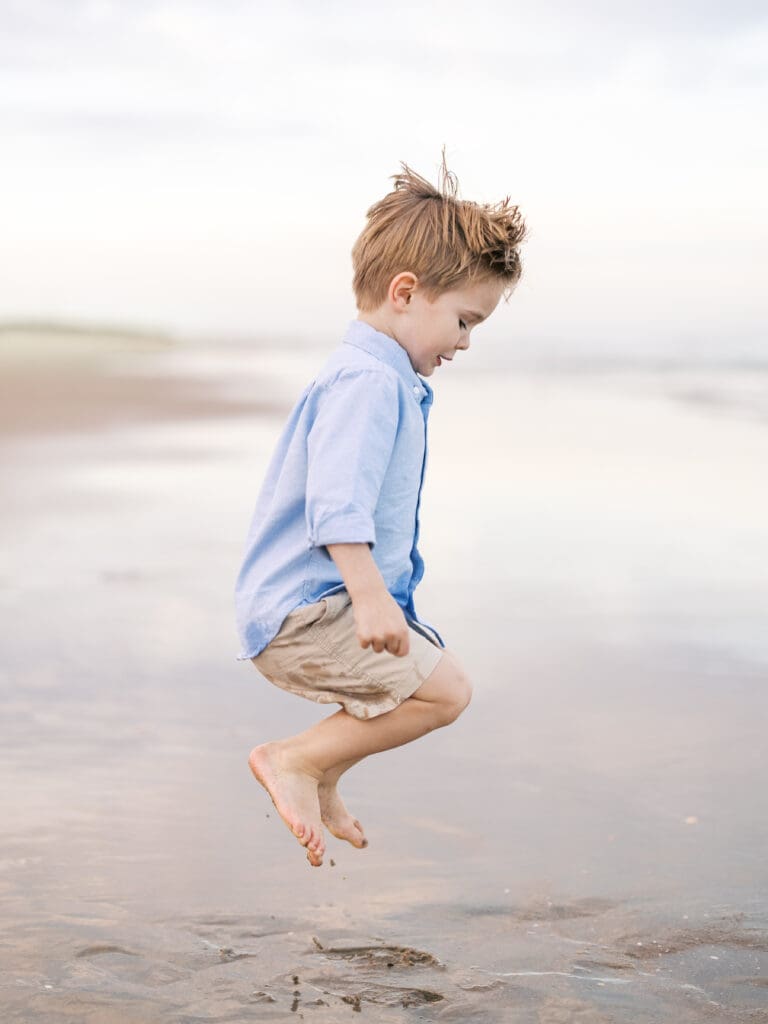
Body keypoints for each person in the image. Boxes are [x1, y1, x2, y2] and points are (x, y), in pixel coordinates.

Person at [234, 154, 527, 866]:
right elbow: (337, 502)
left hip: (315, 602)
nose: (464, 342)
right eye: (463, 320)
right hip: (309, 610)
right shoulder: (368, 381)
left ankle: (321, 773)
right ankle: (297, 762)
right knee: (445, 693)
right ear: (405, 292)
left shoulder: (377, 376)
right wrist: (370, 599)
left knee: (426, 688)